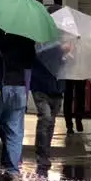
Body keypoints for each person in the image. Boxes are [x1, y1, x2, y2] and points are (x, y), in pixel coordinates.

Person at [0, 30, 34, 181]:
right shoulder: (27, 40)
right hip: (19, 88)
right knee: (15, 132)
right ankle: (13, 171)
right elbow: (29, 64)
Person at [31, 39, 68, 167]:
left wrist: (67, 56)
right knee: (45, 118)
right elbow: (41, 54)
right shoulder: (42, 42)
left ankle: (45, 152)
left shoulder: (63, 44)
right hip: (41, 86)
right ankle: (41, 152)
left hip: (57, 88)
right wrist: (60, 50)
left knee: (51, 122)